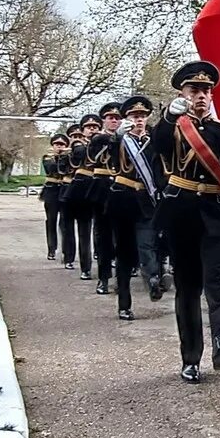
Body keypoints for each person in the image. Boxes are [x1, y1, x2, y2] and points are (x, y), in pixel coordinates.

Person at [149, 61, 220, 383]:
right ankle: (190, 356)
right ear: (182, 92)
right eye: (194, 89)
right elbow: (157, 152)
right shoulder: (172, 127)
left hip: (217, 213)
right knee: (189, 288)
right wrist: (167, 118)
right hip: (182, 214)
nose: (201, 96)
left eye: (207, 90)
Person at [106, 94, 160, 320]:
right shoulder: (119, 140)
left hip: (146, 202)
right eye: (134, 116)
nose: (138, 120)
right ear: (126, 118)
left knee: (147, 245)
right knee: (125, 255)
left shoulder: (153, 140)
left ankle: (154, 278)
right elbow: (105, 151)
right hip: (123, 200)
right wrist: (116, 135)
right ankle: (124, 304)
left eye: (142, 116)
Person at [89, 103, 123, 295]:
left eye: (117, 118)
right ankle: (103, 278)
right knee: (103, 237)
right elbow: (97, 149)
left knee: (122, 237)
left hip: (121, 189)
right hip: (102, 190)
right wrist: (116, 137)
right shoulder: (97, 139)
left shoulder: (127, 138)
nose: (114, 121)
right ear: (104, 120)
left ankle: (122, 276)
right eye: (110, 118)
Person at [64, 113, 101, 280]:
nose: (92, 129)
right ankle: (85, 267)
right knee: (84, 231)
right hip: (83, 190)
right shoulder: (79, 145)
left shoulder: (104, 141)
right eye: (88, 127)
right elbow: (82, 152)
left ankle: (104, 265)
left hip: (102, 187)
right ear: (83, 130)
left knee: (102, 231)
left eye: (95, 127)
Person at [57, 123, 83, 270]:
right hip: (67, 190)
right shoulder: (66, 154)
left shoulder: (87, 151)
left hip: (82, 191)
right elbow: (61, 170)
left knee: (84, 228)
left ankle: (85, 258)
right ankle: (68, 257)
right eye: (74, 136)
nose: (76, 139)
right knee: (67, 227)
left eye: (79, 136)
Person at [40, 133, 69, 260]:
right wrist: (59, 157)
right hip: (51, 190)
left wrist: (64, 156)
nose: (59, 147)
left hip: (64, 190)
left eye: (62, 144)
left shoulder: (69, 157)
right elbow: (51, 168)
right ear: (52, 145)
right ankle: (51, 249)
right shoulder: (47, 157)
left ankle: (66, 250)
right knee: (51, 220)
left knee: (64, 222)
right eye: (57, 144)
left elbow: (67, 169)